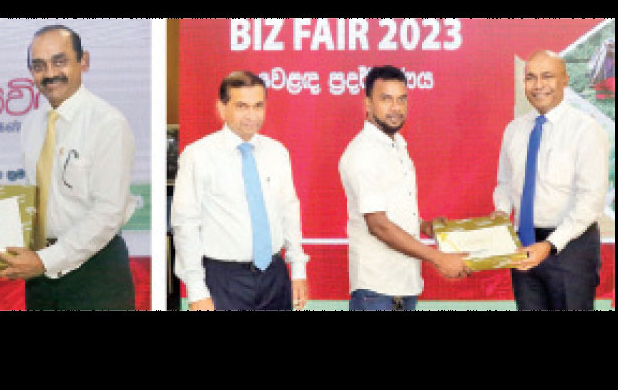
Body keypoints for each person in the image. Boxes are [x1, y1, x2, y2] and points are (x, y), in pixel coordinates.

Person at [0, 25, 136, 310]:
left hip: (95, 274)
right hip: (41, 278)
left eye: (59, 62)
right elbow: (39, 199)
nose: (50, 74)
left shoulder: (107, 123)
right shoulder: (32, 124)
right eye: (39, 66)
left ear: (84, 61)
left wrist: (46, 260)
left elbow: (108, 212)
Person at [171, 70, 310, 311]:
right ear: (222, 108)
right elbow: (185, 225)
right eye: (242, 106)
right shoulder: (198, 156)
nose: (251, 115)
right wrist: (196, 290)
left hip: (274, 276)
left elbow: (289, 211)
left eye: (258, 106)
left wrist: (298, 269)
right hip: (224, 279)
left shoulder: (277, 152)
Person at [338, 65, 470, 311]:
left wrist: (425, 226)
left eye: (401, 99)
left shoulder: (397, 145)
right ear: (368, 104)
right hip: (377, 290)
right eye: (386, 99)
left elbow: (391, 210)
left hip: (404, 285)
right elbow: (378, 224)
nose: (396, 107)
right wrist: (438, 258)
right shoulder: (363, 152)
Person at [492, 50, 609, 310]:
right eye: (530, 78)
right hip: (524, 244)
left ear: (565, 79)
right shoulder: (514, 129)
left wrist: (549, 245)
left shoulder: (586, 130)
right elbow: (505, 183)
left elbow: (590, 202)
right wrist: (500, 212)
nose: (538, 85)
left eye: (547, 76)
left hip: (571, 247)